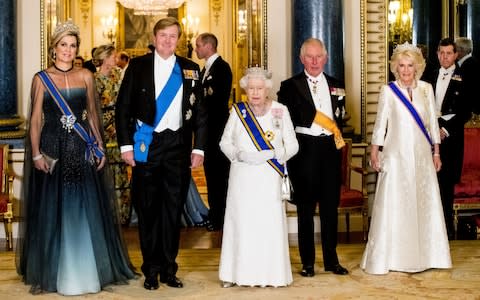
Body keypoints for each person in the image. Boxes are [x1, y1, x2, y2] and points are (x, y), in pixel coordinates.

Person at [16, 20, 136, 296]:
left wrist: (100, 148)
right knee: (53, 211)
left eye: (72, 46)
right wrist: (35, 154)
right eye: (63, 45)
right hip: (53, 150)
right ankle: (53, 273)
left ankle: (85, 272)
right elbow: (35, 121)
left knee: (83, 210)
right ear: (54, 49)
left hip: (81, 151)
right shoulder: (41, 78)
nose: (68, 50)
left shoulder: (86, 76)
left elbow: (92, 115)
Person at [115, 16, 207, 290]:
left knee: (173, 209)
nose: (168, 41)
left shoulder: (190, 69)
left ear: (179, 39)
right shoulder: (138, 66)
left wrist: (199, 147)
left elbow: (201, 112)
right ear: (154, 39)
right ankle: (151, 270)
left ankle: (169, 268)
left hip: (178, 146)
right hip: (147, 145)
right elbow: (123, 109)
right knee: (148, 208)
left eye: (173, 36)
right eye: (163, 36)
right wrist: (126, 146)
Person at [360, 42, 452, 274]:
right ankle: (392, 258)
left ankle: (428, 256)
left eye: (410, 65)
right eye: (401, 65)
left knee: (423, 203)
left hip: (422, 156)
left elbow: (432, 123)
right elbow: (381, 123)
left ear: (417, 67)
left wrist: (437, 152)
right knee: (396, 203)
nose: (406, 70)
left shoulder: (426, 89)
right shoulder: (388, 91)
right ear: (395, 67)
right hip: (396, 155)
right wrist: (374, 151)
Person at [218, 67, 299, 288]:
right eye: (251, 88)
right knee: (241, 224)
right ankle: (234, 274)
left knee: (267, 224)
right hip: (242, 176)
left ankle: (271, 275)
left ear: (267, 89)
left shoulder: (280, 110)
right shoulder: (238, 112)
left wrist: (273, 154)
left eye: (259, 88)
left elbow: (293, 145)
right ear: (246, 89)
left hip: (269, 176)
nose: (255, 93)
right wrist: (239, 154)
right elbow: (224, 143)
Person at [277, 38, 348, 277]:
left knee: (330, 208)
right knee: (305, 210)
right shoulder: (289, 86)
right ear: (302, 59)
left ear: (326, 58)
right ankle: (308, 262)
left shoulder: (337, 85)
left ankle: (331, 260)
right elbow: (286, 122)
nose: (315, 61)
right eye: (310, 56)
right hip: (304, 150)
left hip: (329, 150)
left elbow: (341, 118)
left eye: (319, 56)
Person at [424, 38, 472, 240]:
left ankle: (445, 232)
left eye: (449, 53)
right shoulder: (429, 75)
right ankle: (428, 231)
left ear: (456, 55)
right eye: (441, 53)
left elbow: (465, 112)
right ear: (437, 54)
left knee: (445, 186)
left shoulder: (465, 77)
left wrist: (444, 130)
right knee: (427, 183)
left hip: (450, 140)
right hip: (426, 137)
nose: (445, 57)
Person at [194, 32, 233, 232]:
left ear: (208, 46)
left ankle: (221, 218)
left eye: (198, 46)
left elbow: (217, 101)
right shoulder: (205, 69)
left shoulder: (222, 68)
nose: (196, 49)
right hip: (208, 130)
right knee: (211, 174)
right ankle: (215, 214)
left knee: (219, 175)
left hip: (217, 129)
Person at [93, 44, 132, 226]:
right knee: (105, 172)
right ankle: (106, 215)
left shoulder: (118, 74)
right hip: (104, 131)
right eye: (112, 56)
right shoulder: (94, 80)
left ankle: (123, 214)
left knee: (121, 172)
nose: (115, 58)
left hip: (121, 130)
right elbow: (92, 109)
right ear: (105, 58)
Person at [455, 37, 479, 114]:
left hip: (469, 111)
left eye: (455, 48)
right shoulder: (470, 63)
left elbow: (467, 91)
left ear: (461, 50)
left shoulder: (469, 65)